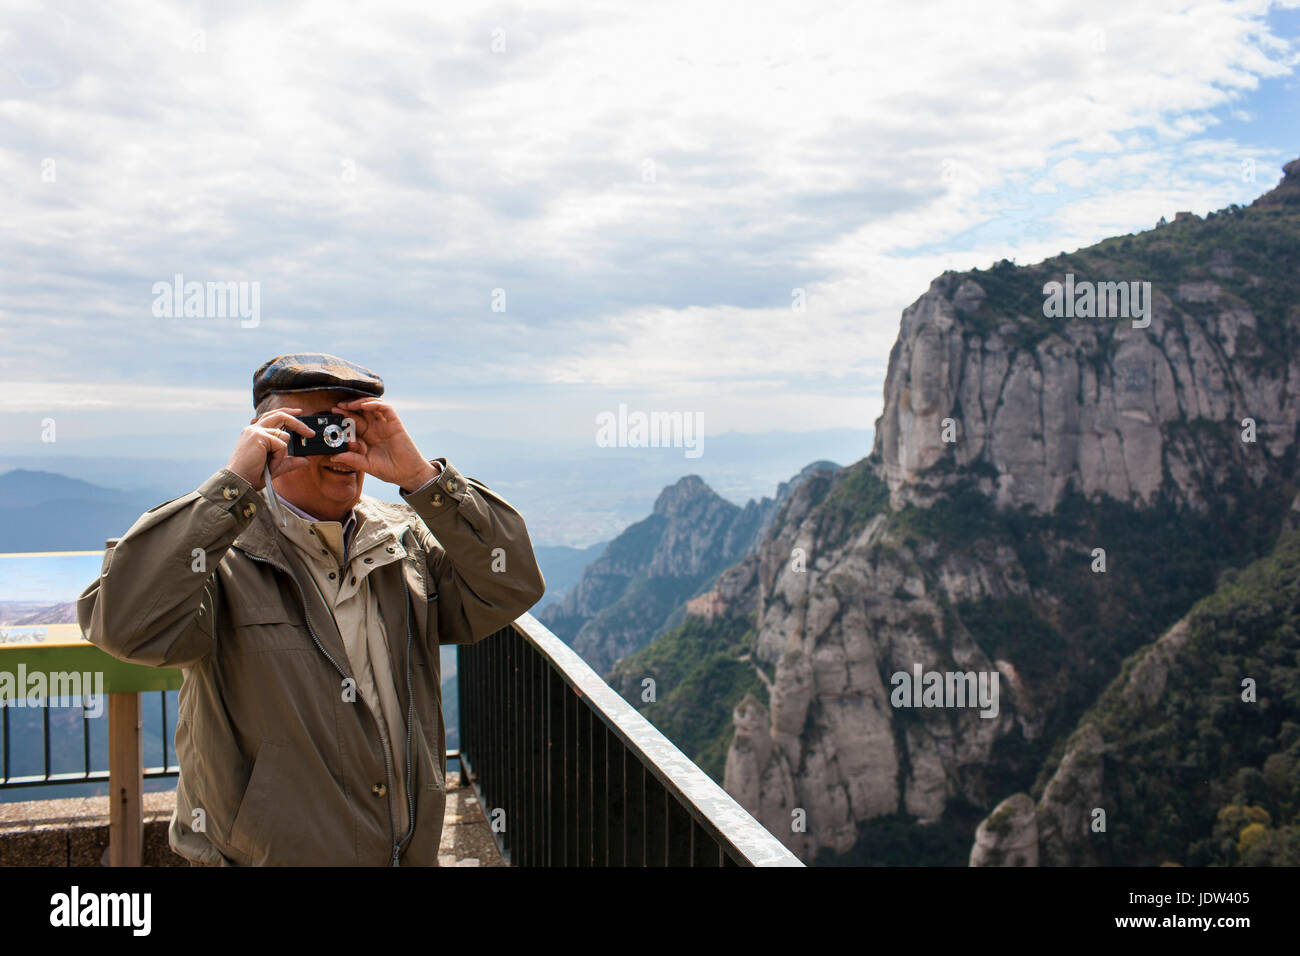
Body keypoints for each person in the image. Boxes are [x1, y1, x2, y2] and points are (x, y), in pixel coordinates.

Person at [77, 353, 545, 866]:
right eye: (315, 428)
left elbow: (511, 584)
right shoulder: (216, 557)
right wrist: (233, 485)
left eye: (351, 426)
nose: (339, 445)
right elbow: (124, 627)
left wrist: (421, 477)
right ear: (267, 434)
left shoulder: (406, 542)